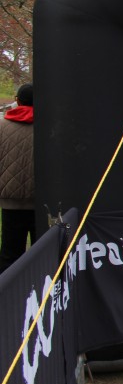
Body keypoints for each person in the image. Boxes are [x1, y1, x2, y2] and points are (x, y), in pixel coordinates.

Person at [0, 83, 36, 273]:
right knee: (41, 255)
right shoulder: (50, 126)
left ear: (18, 101)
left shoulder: (2, 127)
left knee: (10, 255)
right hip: (40, 199)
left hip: (10, 201)